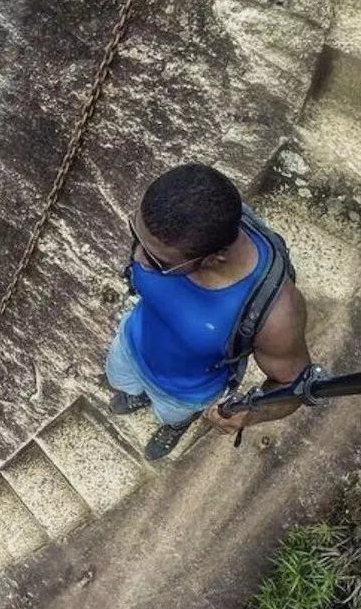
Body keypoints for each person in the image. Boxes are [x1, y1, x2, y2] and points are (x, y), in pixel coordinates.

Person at [105, 163, 311, 460]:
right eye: (137, 234)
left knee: (171, 415)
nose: (138, 259)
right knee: (122, 380)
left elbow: (294, 383)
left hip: (184, 392)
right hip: (130, 342)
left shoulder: (276, 312)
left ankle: (176, 426)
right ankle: (135, 395)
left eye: (157, 261)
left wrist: (252, 414)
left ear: (215, 258)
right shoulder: (170, 226)